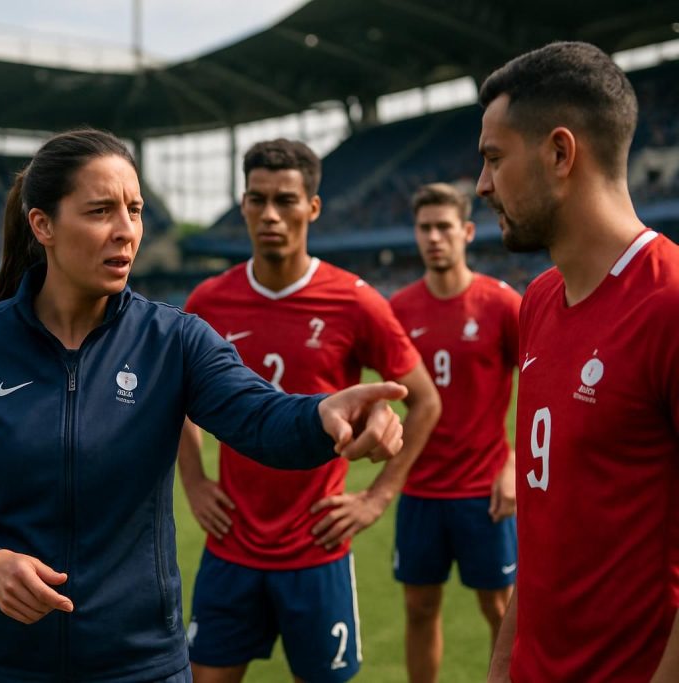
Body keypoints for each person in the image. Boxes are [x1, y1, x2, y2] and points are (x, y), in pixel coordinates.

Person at [0, 128, 410, 682]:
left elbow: (264, 419)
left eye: (135, 210)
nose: (126, 231)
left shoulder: (175, 340)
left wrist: (327, 415)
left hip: (139, 665)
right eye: (100, 211)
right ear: (42, 225)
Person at [179, 139, 441, 683]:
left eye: (286, 200)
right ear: (244, 204)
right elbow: (183, 400)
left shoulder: (355, 301)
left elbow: (425, 400)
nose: (270, 214)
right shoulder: (208, 301)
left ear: (312, 207)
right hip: (232, 544)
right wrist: (195, 481)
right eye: (257, 199)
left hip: (317, 546)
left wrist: (376, 498)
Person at [477, 42, 679, 682]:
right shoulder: (537, 300)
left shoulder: (669, 304)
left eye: (494, 159)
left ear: (560, 154)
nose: (481, 185)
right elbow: (544, 526)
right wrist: (505, 665)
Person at [389, 182, 520, 683]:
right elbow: (388, 392)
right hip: (419, 490)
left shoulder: (502, 304)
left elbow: (541, 384)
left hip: (484, 491)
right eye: (425, 228)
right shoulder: (398, 309)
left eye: (444, 227)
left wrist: (513, 467)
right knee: (419, 606)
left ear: (466, 231)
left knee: (500, 610)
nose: (434, 237)